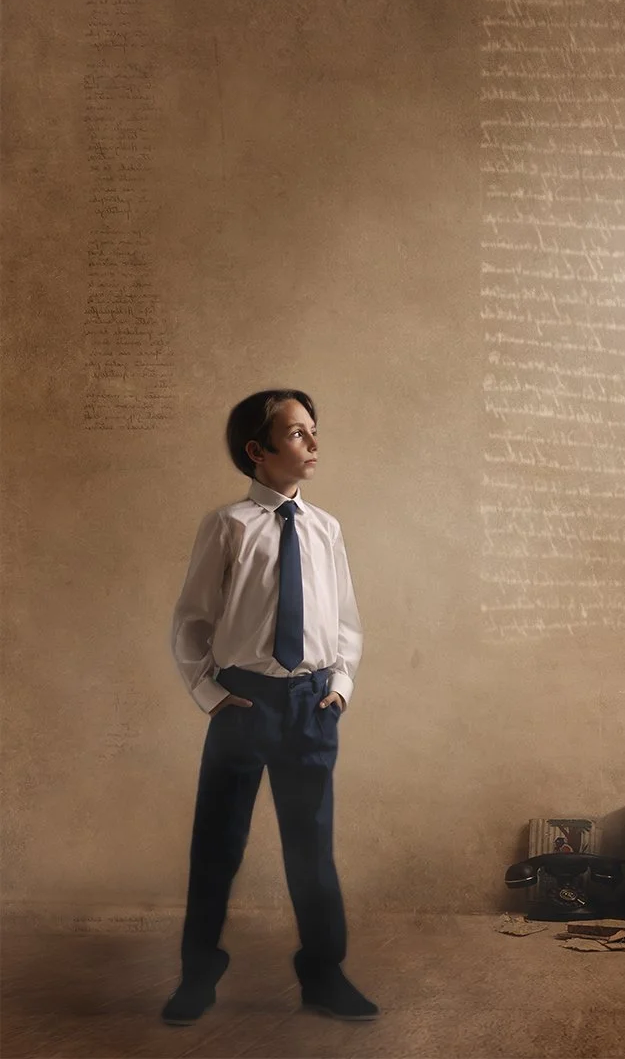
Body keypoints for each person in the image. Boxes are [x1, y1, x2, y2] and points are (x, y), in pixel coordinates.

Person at [162, 388, 378, 1025]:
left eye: (314, 430)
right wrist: (214, 696)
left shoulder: (325, 528)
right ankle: (198, 976)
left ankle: (324, 975)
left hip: (311, 705)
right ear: (257, 451)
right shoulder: (228, 525)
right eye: (296, 433)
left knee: (311, 848)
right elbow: (192, 622)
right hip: (244, 702)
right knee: (217, 845)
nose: (313, 443)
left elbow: (345, 620)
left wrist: (340, 688)